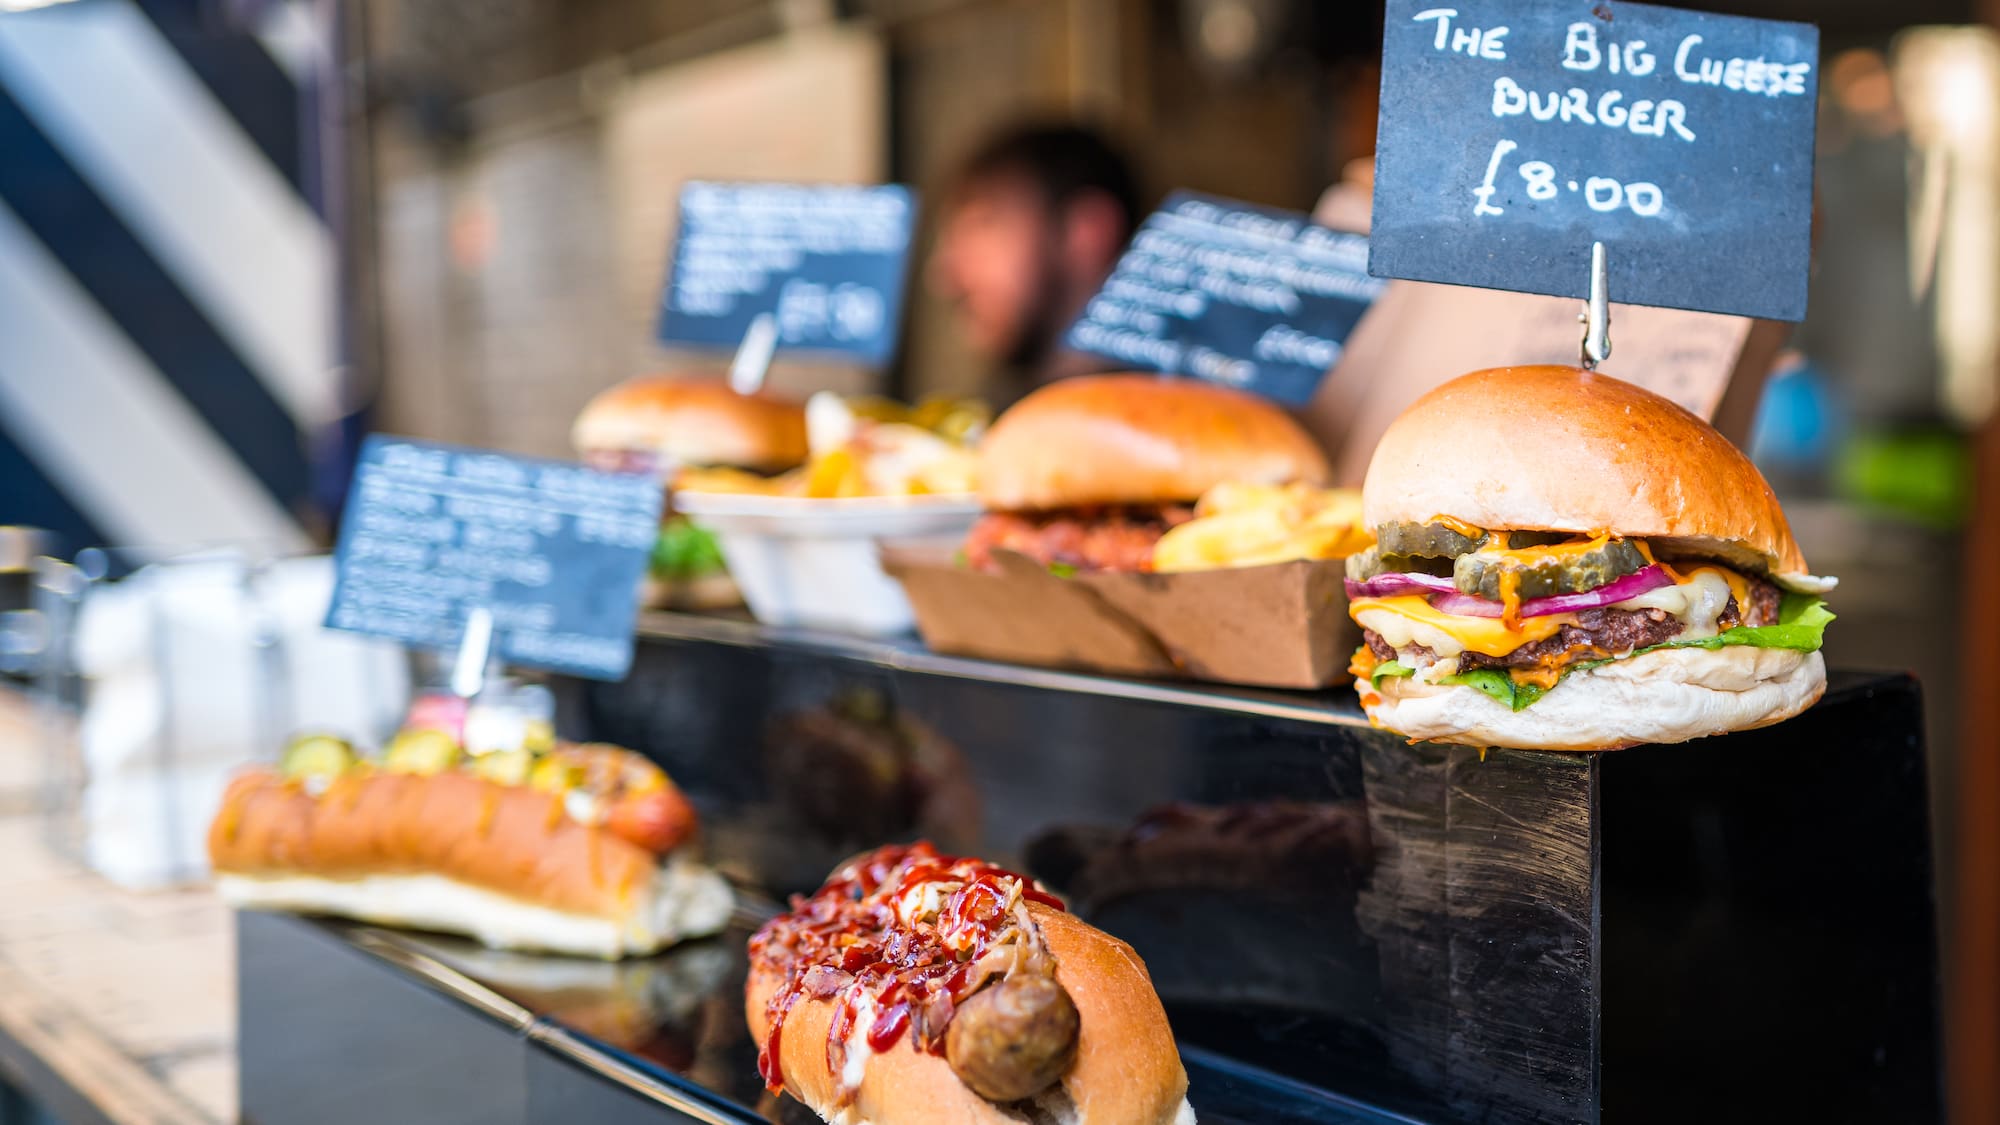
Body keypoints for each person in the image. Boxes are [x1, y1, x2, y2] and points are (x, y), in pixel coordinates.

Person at [928, 121, 1143, 398]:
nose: (945, 276)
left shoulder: (1175, 424)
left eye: (982, 225)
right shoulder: (1000, 421)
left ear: (1086, 232)